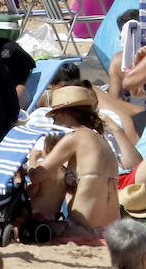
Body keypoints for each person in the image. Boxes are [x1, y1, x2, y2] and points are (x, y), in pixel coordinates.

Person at [26, 85, 121, 234]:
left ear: (68, 113)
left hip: (82, 226)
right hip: (111, 228)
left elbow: (37, 175)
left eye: (55, 115)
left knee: (31, 228)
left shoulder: (75, 137)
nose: (53, 121)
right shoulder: (102, 141)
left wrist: (33, 157)